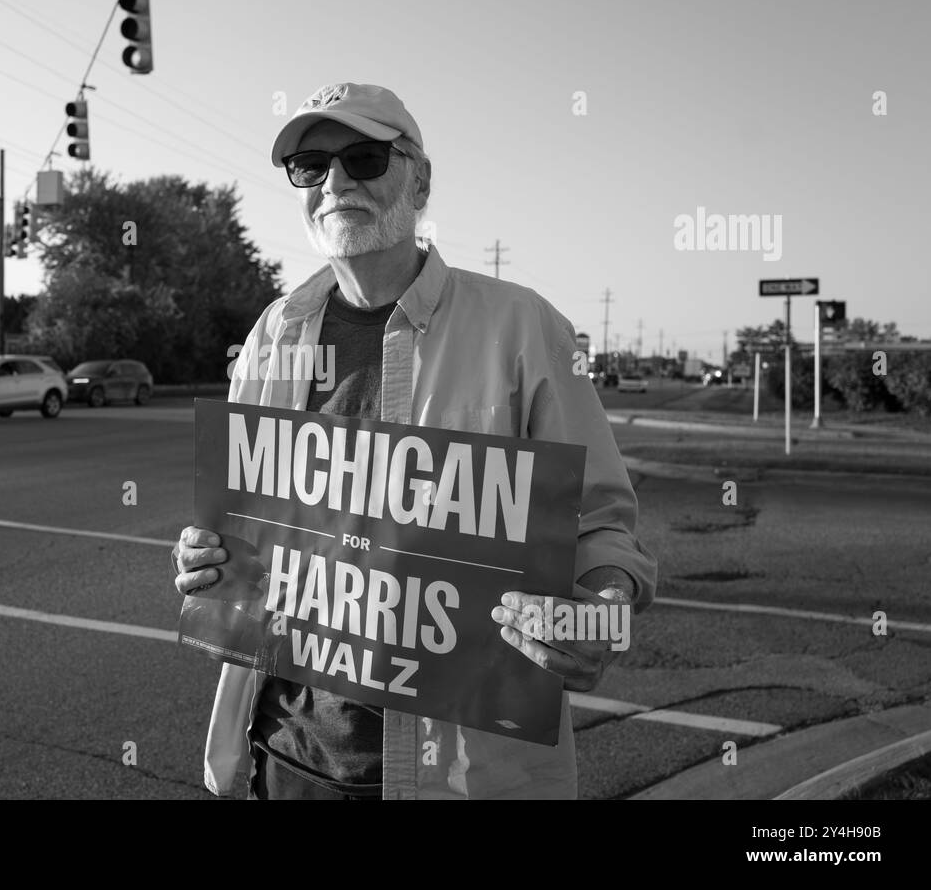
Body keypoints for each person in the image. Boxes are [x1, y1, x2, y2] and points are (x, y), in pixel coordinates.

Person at [172, 82, 658, 800]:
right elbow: (245, 522)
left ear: (420, 180)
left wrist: (605, 605)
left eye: (364, 158)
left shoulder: (525, 331)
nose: (335, 182)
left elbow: (604, 527)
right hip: (286, 759)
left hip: (459, 778)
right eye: (311, 165)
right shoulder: (272, 335)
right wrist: (201, 555)